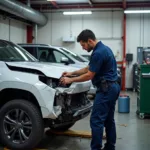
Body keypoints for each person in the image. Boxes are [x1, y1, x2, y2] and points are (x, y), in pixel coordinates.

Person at [60, 29, 120, 150]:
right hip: (113, 87)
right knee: (108, 119)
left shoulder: (98, 52)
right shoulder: (104, 49)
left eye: (83, 45)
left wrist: (69, 80)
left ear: (90, 41)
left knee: (96, 120)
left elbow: (89, 75)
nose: (83, 48)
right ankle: (110, 147)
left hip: (106, 90)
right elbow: (89, 68)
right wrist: (72, 73)